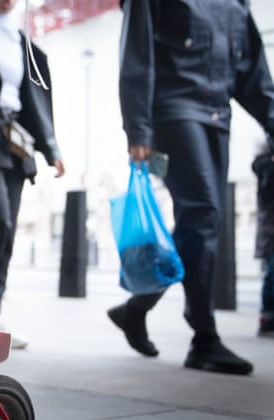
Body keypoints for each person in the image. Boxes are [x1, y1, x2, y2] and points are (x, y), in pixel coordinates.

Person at [110, 0, 274, 375]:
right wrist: (137, 127)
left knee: (201, 225)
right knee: (204, 213)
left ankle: (136, 307)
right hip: (172, 110)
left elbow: (253, 74)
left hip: (218, 116)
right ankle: (204, 339)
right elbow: (136, 53)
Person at [0, 0, 65, 349]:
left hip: (15, 141)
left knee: (6, 235)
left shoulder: (20, 40)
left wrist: (52, 149)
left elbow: (34, 100)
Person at [252, 140, 274, 336]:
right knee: (272, 273)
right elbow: (266, 190)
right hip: (271, 229)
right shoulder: (265, 160)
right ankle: (267, 319)